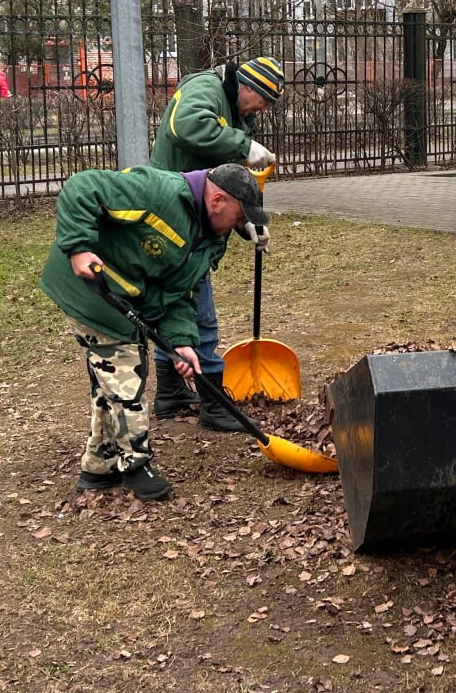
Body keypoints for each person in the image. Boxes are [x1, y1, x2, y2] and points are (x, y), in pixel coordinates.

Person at [38, 162, 268, 501]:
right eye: (239, 216)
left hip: (125, 300)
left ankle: (98, 468)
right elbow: (82, 186)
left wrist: (181, 343)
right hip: (90, 288)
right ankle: (135, 465)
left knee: (110, 381)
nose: (240, 225)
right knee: (126, 376)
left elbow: (176, 294)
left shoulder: (208, 240)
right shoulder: (158, 192)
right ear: (217, 200)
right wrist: (78, 246)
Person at [147, 56, 284, 428]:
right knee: (199, 309)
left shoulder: (238, 112)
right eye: (265, 101)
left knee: (173, 300)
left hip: (197, 212)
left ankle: (172, 392)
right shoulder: (205, 89)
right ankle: (213, 401)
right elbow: (184, 125)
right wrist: (244, 144)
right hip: (176, 212)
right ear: (249, 88)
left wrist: (247, 223)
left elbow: (226, 180)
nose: (264, 110)